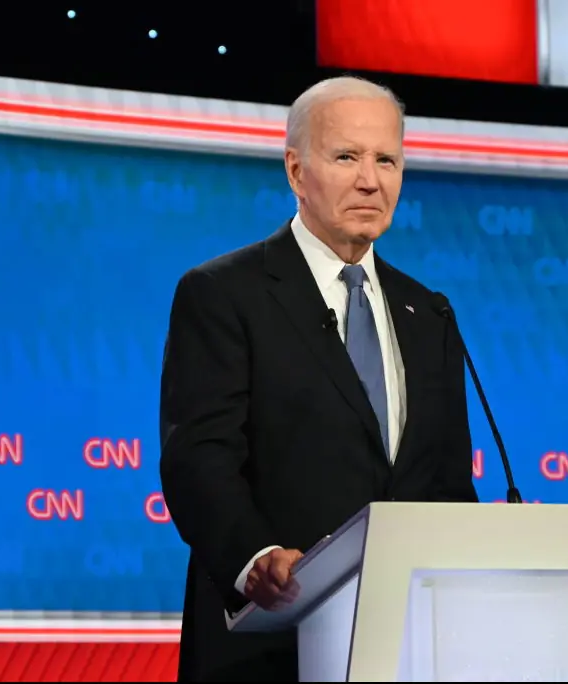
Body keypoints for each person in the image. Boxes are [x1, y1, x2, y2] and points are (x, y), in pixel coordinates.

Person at [158, 75, 479, 682]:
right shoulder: (224, 293)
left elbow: (448, 486)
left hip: (406, 649)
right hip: (269, 647)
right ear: (296, 170)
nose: (371, 180)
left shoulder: (428, 311)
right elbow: (198, 457)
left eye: (387, 160)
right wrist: (254, 558)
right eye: (347, 157)